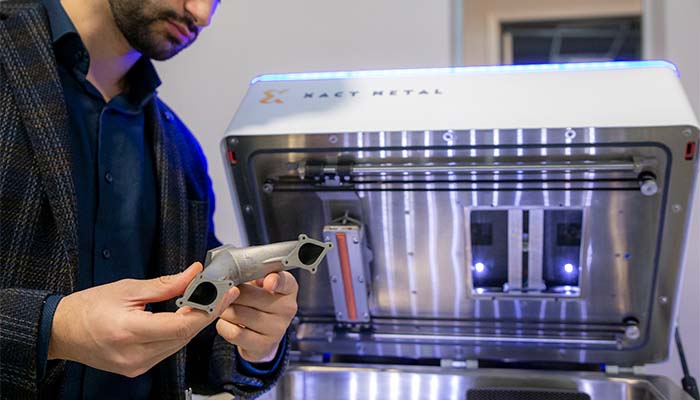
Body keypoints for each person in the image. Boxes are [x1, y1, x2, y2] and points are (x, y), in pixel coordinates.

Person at [0, 0, 298, 398]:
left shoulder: (180, 150)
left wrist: (256, 341)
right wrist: (53, 329)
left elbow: (192, 339)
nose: (202, 15)